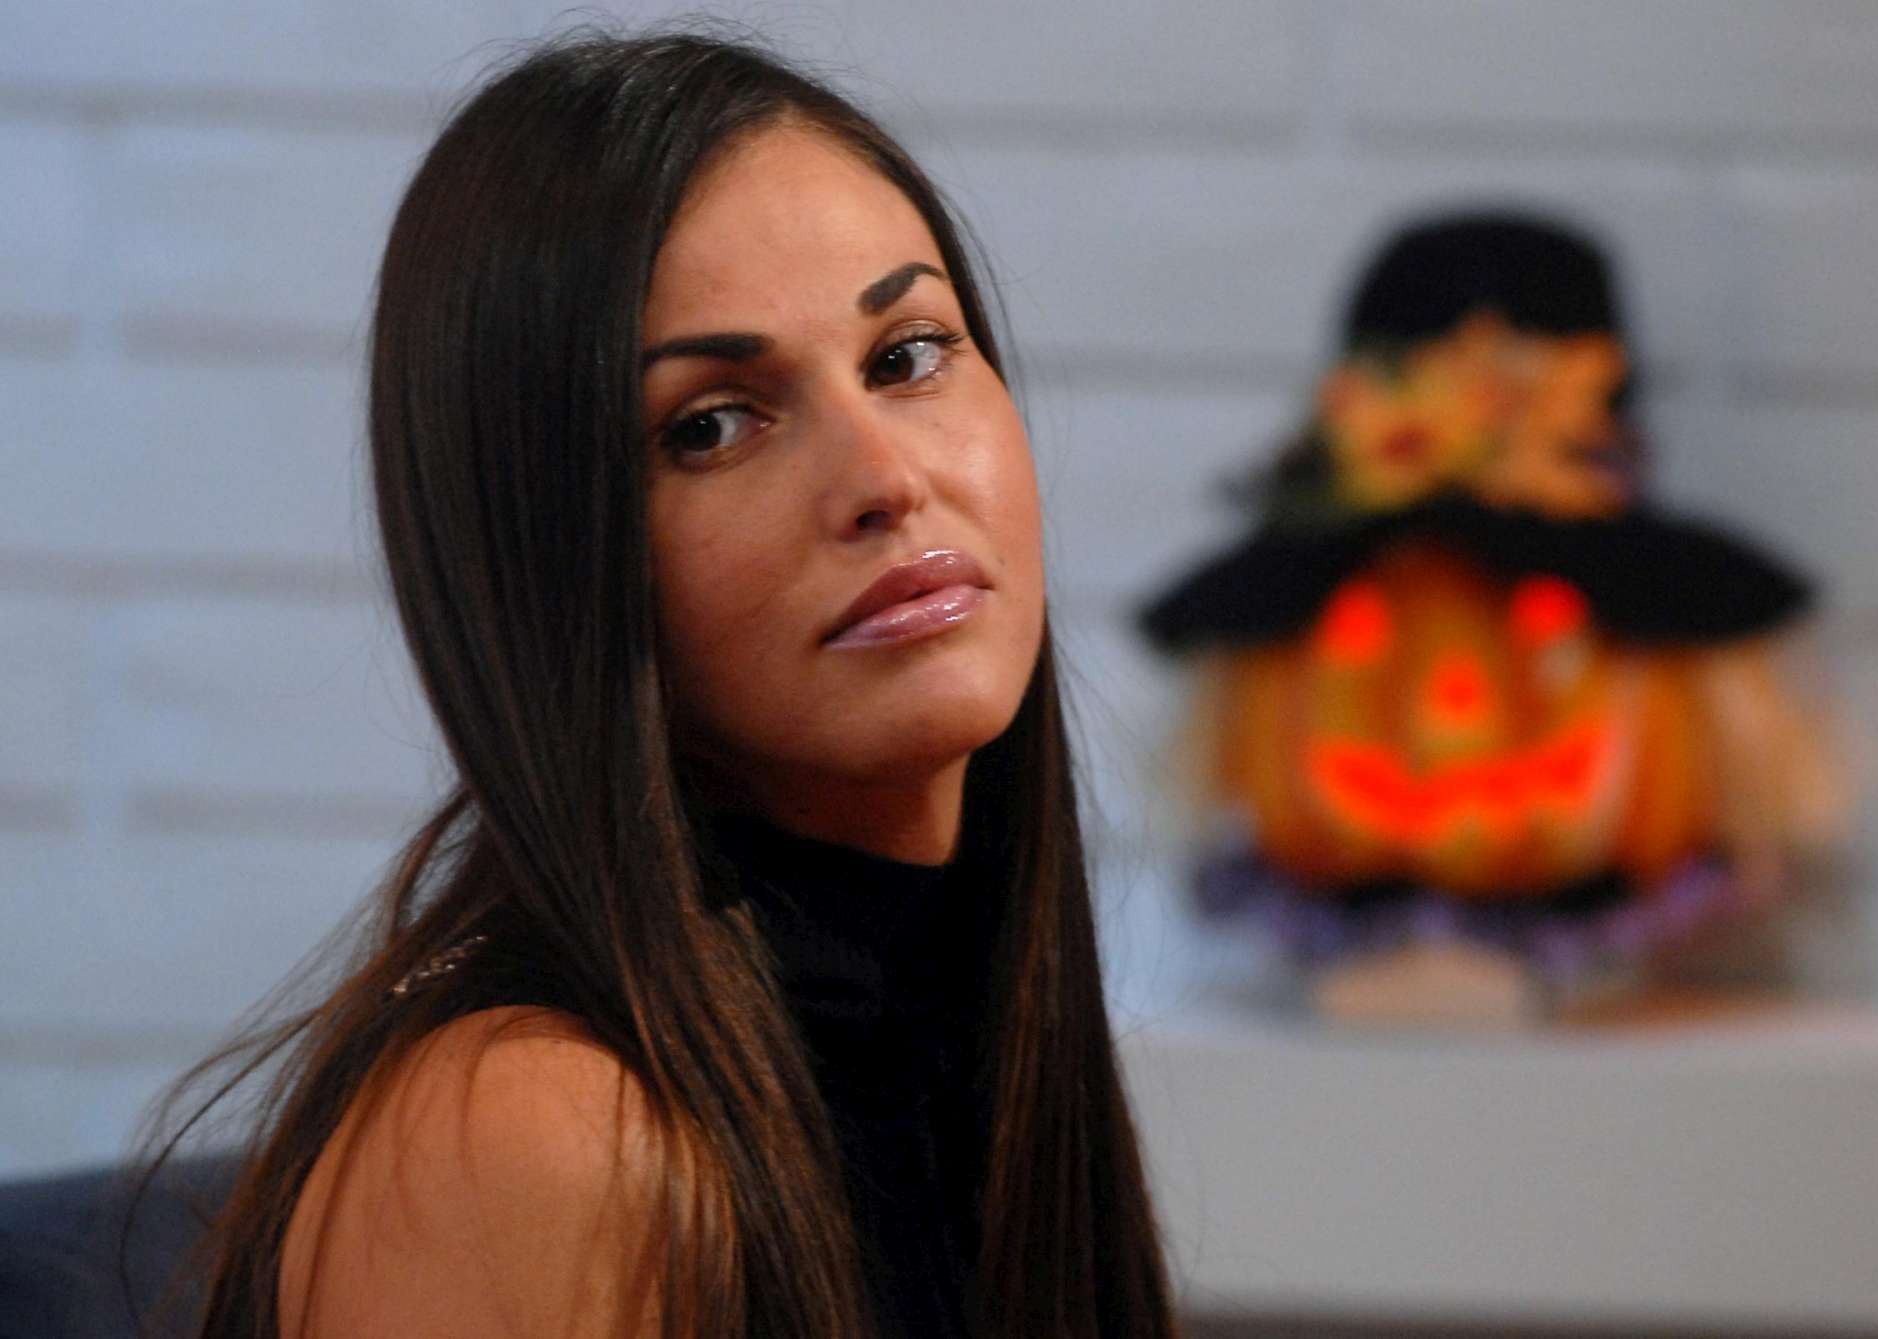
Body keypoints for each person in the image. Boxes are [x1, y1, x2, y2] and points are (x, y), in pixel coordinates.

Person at [144, 28, 1177, 1339]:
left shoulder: (976, 1029)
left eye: (907, 356)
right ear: (553, 557)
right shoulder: (536, 1135)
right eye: (712, 426)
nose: (885, 479)